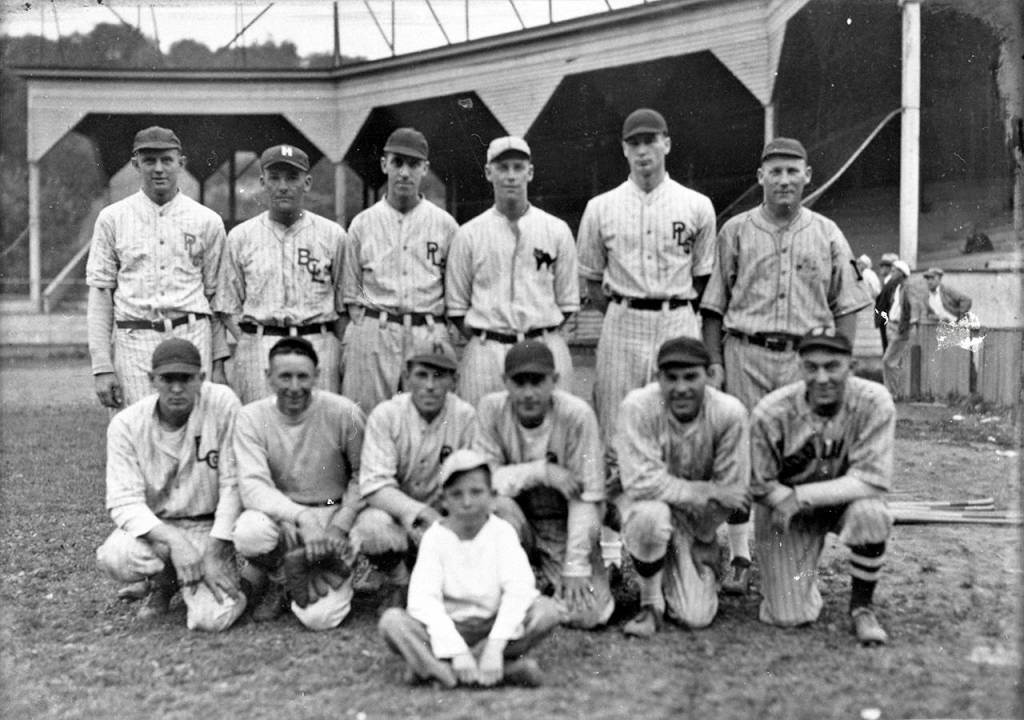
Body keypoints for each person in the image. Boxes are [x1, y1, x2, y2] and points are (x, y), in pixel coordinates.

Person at [700, 137, 872, 594]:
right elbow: (714, 307)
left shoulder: (828, 232)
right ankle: (739, 555)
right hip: (747, 351)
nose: (783, 179)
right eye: (774, 171)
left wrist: (840, 366)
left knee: (796, 456)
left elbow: (849, 305)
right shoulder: (735, 230)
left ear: (807, 176)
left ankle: (790, 558)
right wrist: (715, 361)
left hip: (805, 359)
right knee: (740, 456)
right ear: (760, 177)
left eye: (792, 171)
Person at [577, 108, 716, 450]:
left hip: (677, 316)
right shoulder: (600, 207)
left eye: (650, 141)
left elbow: (702, 277)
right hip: (623, 319)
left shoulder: (697, 205)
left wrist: (675, 304)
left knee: (680, 421)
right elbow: (593, 281)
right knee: (615, 420)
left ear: (666, 144)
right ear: (624, 149)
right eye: (634, 143)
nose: (642, 151)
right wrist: (623, 310)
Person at [750, 327, 893, 646]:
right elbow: (758, 482)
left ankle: (862, 609)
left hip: (832, 503)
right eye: (812, 367)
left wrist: (802, 496)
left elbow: (872, 480)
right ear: (800, 368)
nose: (822, 377)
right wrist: (788, 499)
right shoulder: (772, 412)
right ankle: (793, 575)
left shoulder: (874, 401)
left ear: (851, 367)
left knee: (872, 512)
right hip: (785, 509)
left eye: (832, 366)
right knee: (788, 616)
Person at [95, 338, 247, 631]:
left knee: (211, 620)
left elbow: (233, 484)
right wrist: (175, 542)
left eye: (186, 379)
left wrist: (215, 552)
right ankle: (163, 585)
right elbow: (123, 501)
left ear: (201, 378)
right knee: (116, 555)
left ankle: (231, 586)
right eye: (167, 379)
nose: (177, 389)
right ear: (152, 380)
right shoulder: (126, 424)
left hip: (209, 529)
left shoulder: (223, 403)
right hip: (159, 530)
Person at [378, 449, 562, 688]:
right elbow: (424, 601)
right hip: (448, 627)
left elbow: (518, 591)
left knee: (547, 611)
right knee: (392, 622)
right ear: (444, 500)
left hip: (491, 627)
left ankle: (435, 670)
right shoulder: (435, 538)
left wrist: (494, 647)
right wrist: (457, 651)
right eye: (456, 494)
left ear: (492, 497)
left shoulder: (502, 532)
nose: (467, 502)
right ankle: (505, 670)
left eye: (476, 492)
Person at [613, 337, 750, 637]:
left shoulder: (729, 412)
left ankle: (683, 563)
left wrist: (704, 535)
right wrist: (706, 491)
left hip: (695, 519)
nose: (681, 388)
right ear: (657, 378)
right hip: (646, 505)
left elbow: (732, 490)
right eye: (671, 378)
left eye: (691, 377)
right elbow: (640, 482)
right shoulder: (638, 406)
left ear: (709, 376)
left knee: (696, 616)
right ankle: (650, 602)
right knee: (650, 516)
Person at [472, 341, 614, 629]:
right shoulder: (491, 409)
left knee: (589, 614)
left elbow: (587, 498)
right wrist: (542, 471)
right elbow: (483, 482)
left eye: (537, 382)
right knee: (495, 508)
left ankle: (565, 582)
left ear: (555, 381)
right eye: (519, 382)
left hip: (560, 523)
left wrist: (576, 565)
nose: (528, 393)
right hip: (517, 518)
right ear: (505, 382)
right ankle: (506, 590)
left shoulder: (577, 415)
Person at [87, 126, 229, 411]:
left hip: (191, 333)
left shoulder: (207, 221)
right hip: (135, 338)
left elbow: (216, 297)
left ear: (181, 163)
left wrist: (218, 364)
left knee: (194, 428)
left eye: (166, 160)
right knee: (137, 428)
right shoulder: (112, 218)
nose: (159, 169)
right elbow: (101, 294)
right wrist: (102, 366)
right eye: (149, 160)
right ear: (136, 164)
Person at [232, 337, 366, 631]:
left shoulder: (344, 412)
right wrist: (300, 517)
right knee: (249, 532)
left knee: (320, 619)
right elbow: (253, 485)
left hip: (331, 506)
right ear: (268, 378)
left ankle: (324, 576)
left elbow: (362, 475)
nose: (294, 386)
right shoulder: (251, 417)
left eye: (302, 376)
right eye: (285, 376)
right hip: (285, 514)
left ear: (317, 376)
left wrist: (339, 525)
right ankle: (282, 579)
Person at [445, 136, 580, 407]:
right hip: (487, 350)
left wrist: (536, 332)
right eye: (502, 168)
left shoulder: (556, 229)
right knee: (480, 432)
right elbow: (457, 309)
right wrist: (491, 337)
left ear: (529, 173)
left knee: (551, 433)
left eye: (518, 167)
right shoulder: (469, 234)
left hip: (543, 343)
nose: (510, 176)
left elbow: (567, 302)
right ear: (488, 173)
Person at [214, 144, 347, 404]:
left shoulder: (333, 235)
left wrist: (340, 351)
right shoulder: (241, 236)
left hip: (317, 341)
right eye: (275, 178)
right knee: (258, 429)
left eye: (292, 178)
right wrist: (250, 340)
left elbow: (346, 305)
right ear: (263, 182)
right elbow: (227, 305)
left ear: (307, 182)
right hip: (260, 344)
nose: (283, 186)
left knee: (319, 430)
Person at [341, 128, 459, 413]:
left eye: (413, 164)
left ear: (425, 169)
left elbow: (455, 296)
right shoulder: (362, 224)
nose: (405, 173)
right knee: (364, 418)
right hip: (375, 329)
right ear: (384, 165)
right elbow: (349, 294)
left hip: (426, 330)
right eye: (397, 163)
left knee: (428, 419)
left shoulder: (445, 225)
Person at [353, 343, 476, 609]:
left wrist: (444, 518)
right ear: (407, 378)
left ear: (454, 381)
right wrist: (418, 512)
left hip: (444, 514)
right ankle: (399, 580)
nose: (430, 385)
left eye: (439, 376)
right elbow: (375, 485)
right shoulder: (387, 414)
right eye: (422, 375)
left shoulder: (465, 416)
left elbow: (470, 481)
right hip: (398, 515)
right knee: (372, 527)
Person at [879, 260, 912, 398]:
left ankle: (891, 393)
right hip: (891, 325)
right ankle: (897, 392)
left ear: (901, 273)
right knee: (895, 362)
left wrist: (903, 327)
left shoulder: (908, 288)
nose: (892, 273)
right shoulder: (897, 287)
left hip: (900, 327)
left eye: (894, 271)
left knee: (888, 361)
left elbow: (909, 310)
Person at [873, 253, 901, 352]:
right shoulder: (886, 281)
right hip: (885, 320)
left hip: (888, 320)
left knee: (889, 348)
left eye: (886, 266)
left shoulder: (892, 282)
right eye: (882, 266)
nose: (882, 268)